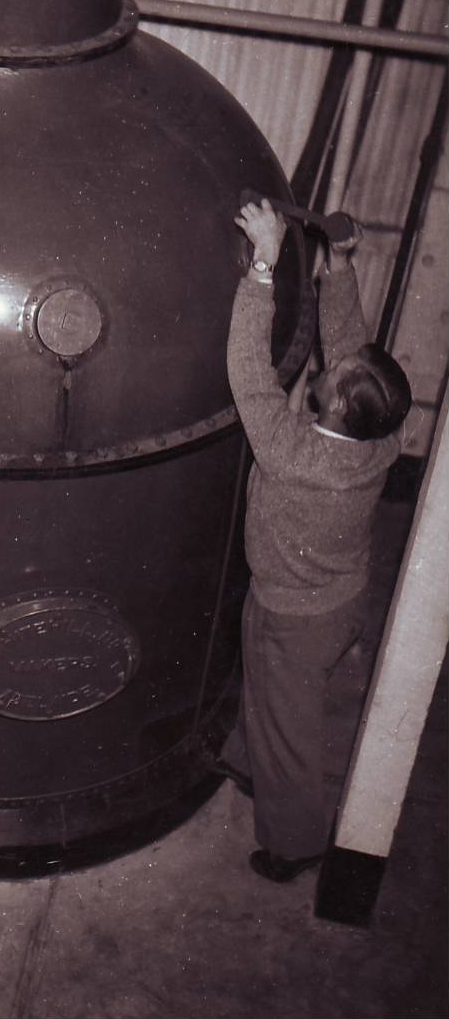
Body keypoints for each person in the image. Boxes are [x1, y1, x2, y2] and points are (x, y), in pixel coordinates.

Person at [215, 197, 412, 883]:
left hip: (296, 615)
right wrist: (341, 269)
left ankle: (294, 845)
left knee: (292, 726)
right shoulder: (383, 438)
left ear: (326, 408)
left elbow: (248, 373)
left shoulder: (293, 451)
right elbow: (353, 350)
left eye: (325, 381)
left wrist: (264, 265)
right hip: (331, 598)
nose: (326, 370)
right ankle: (244, 761)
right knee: (268, 689)